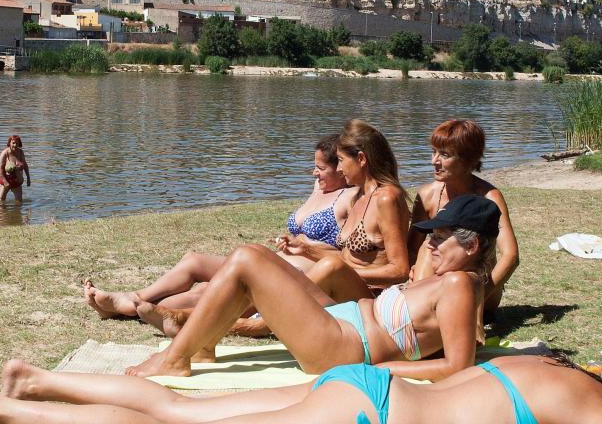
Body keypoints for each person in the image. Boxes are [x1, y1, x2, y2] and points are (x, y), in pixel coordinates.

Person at [125, 194, 501, 382]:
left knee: (245, 260)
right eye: (431, 236)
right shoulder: (456, 280)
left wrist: (381, 372)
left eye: (440, 238)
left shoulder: (458, 284)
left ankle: (177, 358)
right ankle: (203, 344)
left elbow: (458, 365)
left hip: (343, 347)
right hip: (343, 322)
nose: (430, 245)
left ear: (471, 246)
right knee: (257, 255)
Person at [134, 120, 412, 338]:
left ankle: (237, 324)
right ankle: (192, 318)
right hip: (342, 285)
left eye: (341, 161)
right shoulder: (360, 197)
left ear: (362, 159)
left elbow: (400, 270)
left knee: (328, 269)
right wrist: (309, 250)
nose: (338, 168)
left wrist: (342, 269)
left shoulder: (387, 198)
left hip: (369, 298)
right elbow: (349, 257)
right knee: (260, 259)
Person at [83, 135, 357, 321]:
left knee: (211, 290)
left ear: (342, 168)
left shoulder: (350, 197)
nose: (314, 173)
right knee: (194, 261)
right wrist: (291, 240)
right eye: (314, 166)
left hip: (302, 274)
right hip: (279, 261)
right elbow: (304, 229)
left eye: (321, 168)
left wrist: (307, 247)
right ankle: (135, 298)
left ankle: (133, 310)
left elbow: (349, 254)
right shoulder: (319, 188)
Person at [0, 354, 602, 424]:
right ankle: (1, 411)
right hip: (369, 414)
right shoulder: (596, 415)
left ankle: (35, 379)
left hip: (365, 387)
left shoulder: (553, 370)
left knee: (183, 409)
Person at [408, 119, 518, 316]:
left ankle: (423, 312)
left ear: (468, 159)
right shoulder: (427, 196)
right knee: (428, 245)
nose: (434, 161)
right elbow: (411, 250)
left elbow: (510, 256)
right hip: (436, 281)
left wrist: (478, 296)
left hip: (479, 285)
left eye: (444, 154)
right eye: (433, 152)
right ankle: (419, 311)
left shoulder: (489, 197)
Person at [0, 135, 31, 203]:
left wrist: (28, 178)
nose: (15, 145)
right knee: (1, 202)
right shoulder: (5, 153)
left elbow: (25, 165)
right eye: (13, 143)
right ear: (9, 143)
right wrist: (5, 182)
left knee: (19, 202)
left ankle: (17, 213)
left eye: (17, 143)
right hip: (6, 179)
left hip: (17, 180)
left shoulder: (21, 152)